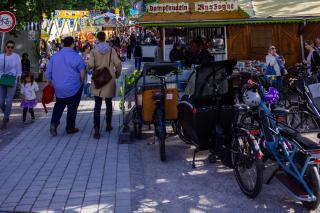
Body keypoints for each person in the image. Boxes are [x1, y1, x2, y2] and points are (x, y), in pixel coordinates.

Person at [46, 36, 86, 136]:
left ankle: (54, 124)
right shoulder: (77, 56)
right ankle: (70, 128)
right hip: (74, 86)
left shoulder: (55, 56)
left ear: (63, 44)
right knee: (72, 108)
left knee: (59, 106)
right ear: (73, 44)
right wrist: (82, 82)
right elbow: (82, 73)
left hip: (59, 87)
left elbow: (48, 72)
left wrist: (50, 82)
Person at [88, 32, 122, 139]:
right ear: (105, 38)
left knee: (97, 105)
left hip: (98, 79)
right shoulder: (111, 50)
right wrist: (116, 74)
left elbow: (90, 65)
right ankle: (108, 124)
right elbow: (118, 64)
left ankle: (97, 129)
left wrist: (90, 67)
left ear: (97, 38)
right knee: (109, 103)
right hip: (109, 78)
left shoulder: (93, 51)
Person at [0, 40, 22, 129]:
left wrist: (18, 81)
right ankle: (7, 113)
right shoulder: (1, 57)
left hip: (12, 80)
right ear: (5, 47)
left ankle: (6, 118)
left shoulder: (16, 57)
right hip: (2, 80)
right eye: (8, 47)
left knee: (9, 101)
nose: (10, 49)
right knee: (1, 102)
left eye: (12, 47)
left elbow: (18, 70)